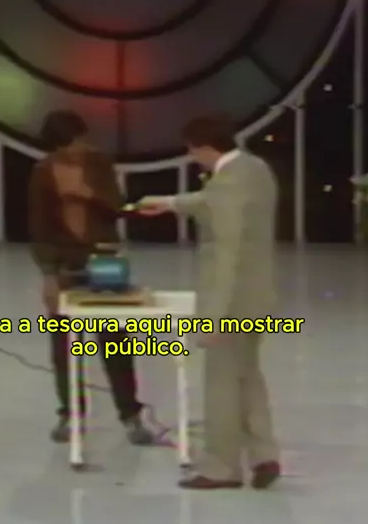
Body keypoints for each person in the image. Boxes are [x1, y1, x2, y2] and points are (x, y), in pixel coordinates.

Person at [139, 114, 280, 490]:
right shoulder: (254, 169)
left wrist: (213, 317)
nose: (193, 159)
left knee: (221, 383)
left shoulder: (228, 179)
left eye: (192, 152)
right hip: (257, 297)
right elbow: (211, 201)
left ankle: (221, 467)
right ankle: (264, 454)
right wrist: (170, 203)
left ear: (203, 147)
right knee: (247, 376)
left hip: (231, 301)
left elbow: (227, 252)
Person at [28, 110, 154, 445]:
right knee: (64, 343)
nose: (79, 149)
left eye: (81, 141)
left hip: (103, 258)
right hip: (64, 262)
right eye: (71, 144)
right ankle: (70, 414)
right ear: (57, 146)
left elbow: (118, 208)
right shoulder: (42, 172)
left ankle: (131, 415)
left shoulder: (100, 164)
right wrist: (48, 274)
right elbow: (39, 227)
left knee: (115, 340)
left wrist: (88, 193)